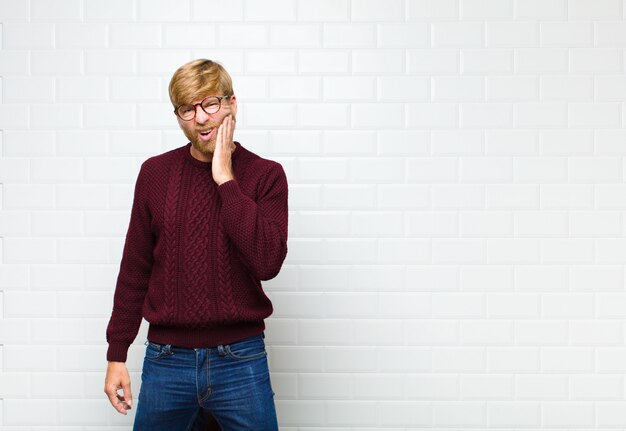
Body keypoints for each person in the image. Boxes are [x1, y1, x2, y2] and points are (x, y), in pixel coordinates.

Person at [103, 59, 288, 430]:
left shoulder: (266, 175)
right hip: (167, 360)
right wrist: (117, 352)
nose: (201, 119)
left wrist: (224, 179)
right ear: (178, 115)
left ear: (232, 104)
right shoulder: (155, 173)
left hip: (240, 358)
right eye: (188, 109)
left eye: (210, 104)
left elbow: (267, 261)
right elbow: (135, 266)